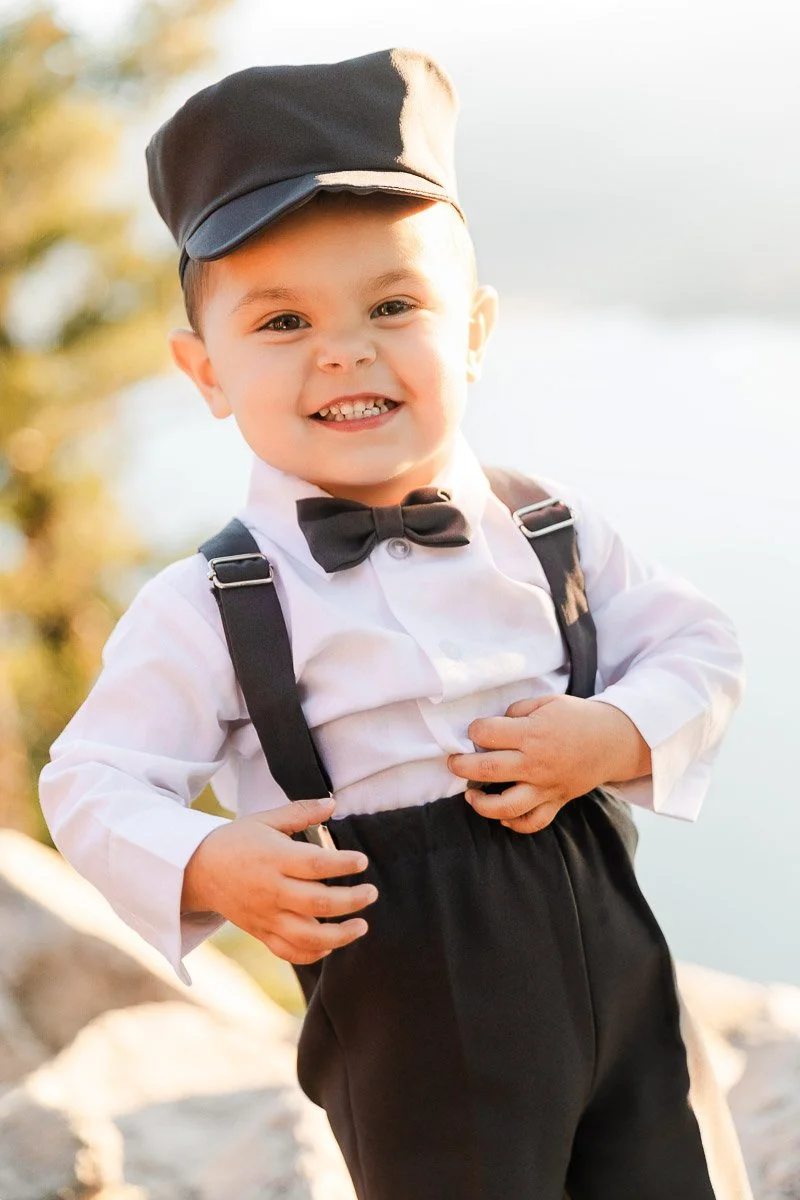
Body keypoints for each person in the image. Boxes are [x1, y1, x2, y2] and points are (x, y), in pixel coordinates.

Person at [40, 48, 749, 1200]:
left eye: (392, 304)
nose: (343, 348)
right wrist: (211, 860)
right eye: (279, 321)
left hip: (606, 940)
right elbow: (92, 780)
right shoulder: (209, 605)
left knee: (670, 1165)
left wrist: (613, 734)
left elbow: (697, 645)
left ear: (470, 329)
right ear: (203, 371)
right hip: (409, 981)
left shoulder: (545, 525)